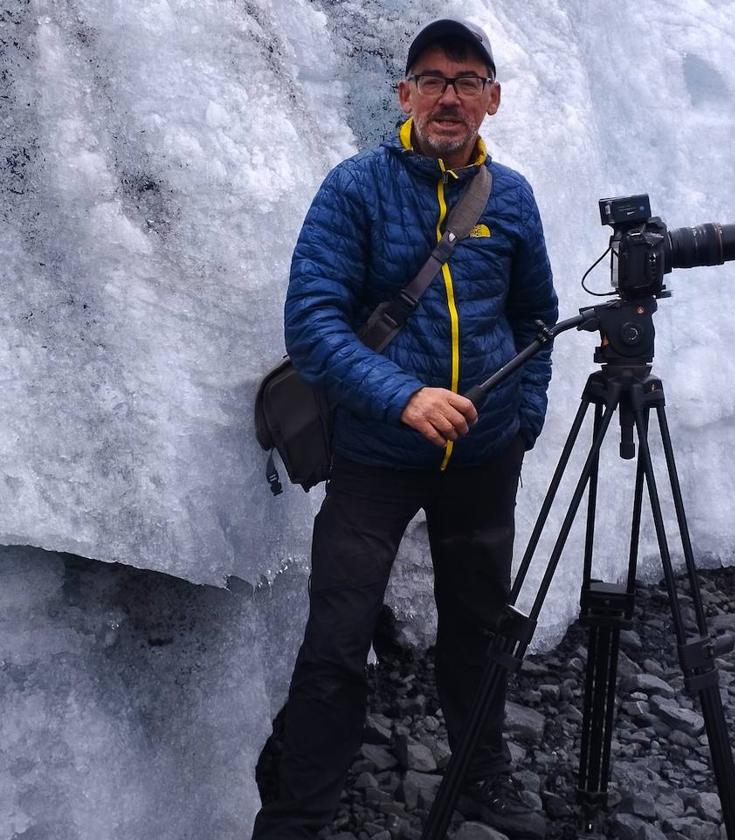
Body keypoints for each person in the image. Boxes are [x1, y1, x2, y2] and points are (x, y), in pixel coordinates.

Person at [251, 17, 558, 840]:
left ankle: (480, 772)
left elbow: (537, 320)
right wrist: (402, 397)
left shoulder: (514, 197)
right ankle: (299, 813)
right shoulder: (356, 187)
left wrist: (519, 422)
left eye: (465, 81)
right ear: (405, 96)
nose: (447, 96)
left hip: (483, 459)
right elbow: (312, 325)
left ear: (491, 99)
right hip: (377, 458)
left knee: (480, 627)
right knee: (336, 638)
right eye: (432, 80)